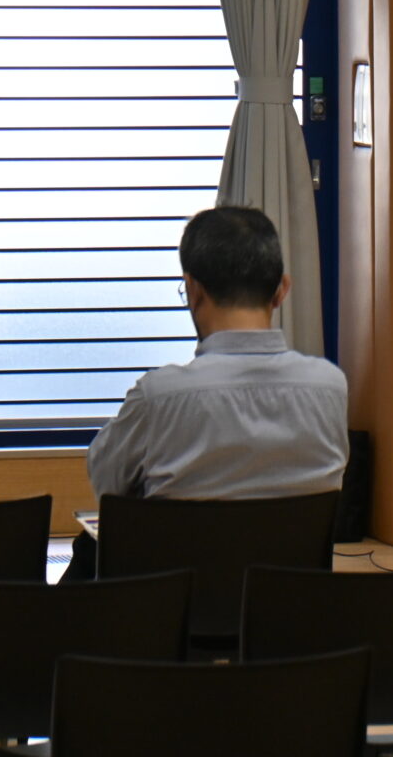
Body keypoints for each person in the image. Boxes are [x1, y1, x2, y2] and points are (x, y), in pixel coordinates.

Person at [68, 206, 348, 578]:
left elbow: (107, 486)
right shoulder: (330, 387)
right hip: (286, 608)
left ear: (193, 290)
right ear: (282, 290)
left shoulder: (159, 396)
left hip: (174, 607)